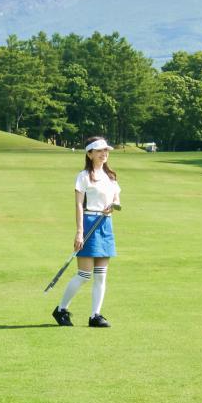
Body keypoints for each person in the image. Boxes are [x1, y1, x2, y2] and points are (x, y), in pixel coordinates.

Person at [52, 137, 121, 328]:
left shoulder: (111, 177)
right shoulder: (83, 176)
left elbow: (116, 199)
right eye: (99, 151)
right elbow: (78, 205)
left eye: (106, 150)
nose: (104, 154)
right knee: (84, 274)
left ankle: (95, 316)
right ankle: (61, 309)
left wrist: (114, 205)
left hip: (105, 224)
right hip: (89, 222)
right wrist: (79, 232)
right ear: (89, 154)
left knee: (101, 275)